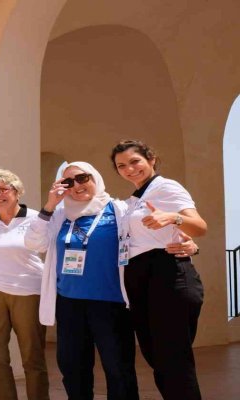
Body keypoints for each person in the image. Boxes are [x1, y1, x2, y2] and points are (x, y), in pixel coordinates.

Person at [24, 162, 139, 400]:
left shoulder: (119, 210)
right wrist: (49, 205)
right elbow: (34, 243)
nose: (76, 185)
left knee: (118, 369)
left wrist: (185, 243)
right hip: (70, 303)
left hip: (110, 303)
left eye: (82, 178)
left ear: (95, 178)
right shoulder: (60, 214)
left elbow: (146, 238)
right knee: (73, 369)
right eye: (68, 182)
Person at [111, 140, 206, 400]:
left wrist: (173, 218)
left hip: (167, 276)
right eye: (121, 166)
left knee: (174, 361)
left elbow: (199, 226)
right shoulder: (133, 200)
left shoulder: (166, 187)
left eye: (135, 161)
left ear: (151, 159)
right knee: (158, 359)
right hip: (141, 281)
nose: (129, 169)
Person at [0, 168, 48, 400]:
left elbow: (46, 248)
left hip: (28, 291)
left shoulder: (36, 218)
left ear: (17, 192)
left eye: (3, 189)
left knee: (32, 356)